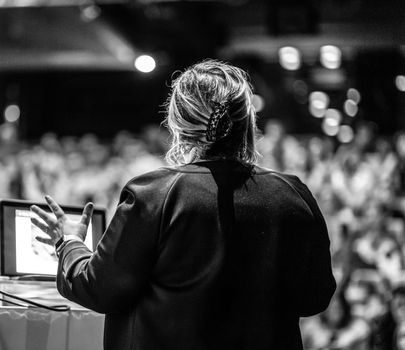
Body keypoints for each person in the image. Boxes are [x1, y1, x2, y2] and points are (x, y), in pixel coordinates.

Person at [31, 59, 336, 350]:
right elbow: (316, 297)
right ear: (248, 122)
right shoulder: (293, 195)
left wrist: (68, 243)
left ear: (177, 124)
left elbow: (100, 288)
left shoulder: (154, 194)